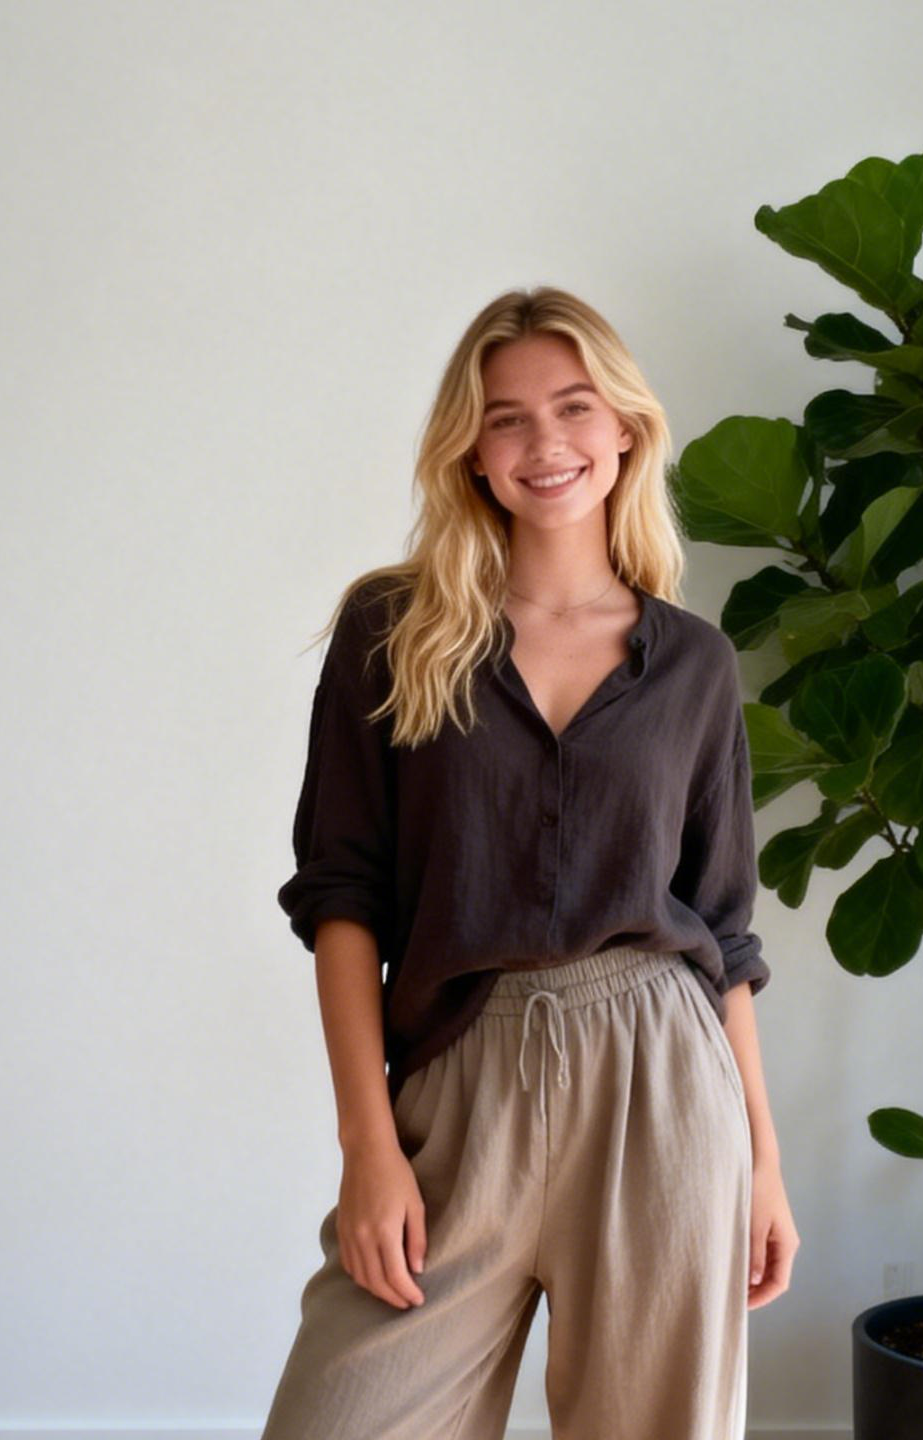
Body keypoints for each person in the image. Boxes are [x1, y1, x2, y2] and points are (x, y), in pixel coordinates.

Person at [264, 286, 798, 1440]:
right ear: (471, 449)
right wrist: (367, 1146)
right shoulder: (392, 633)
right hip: (461, 1084)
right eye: (505, 418)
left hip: (661, 1084)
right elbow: (343, 899)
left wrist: (764, 1161)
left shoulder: (694, 666)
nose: (544, 442)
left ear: (626, 428)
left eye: (572, 407)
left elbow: (723, 936)